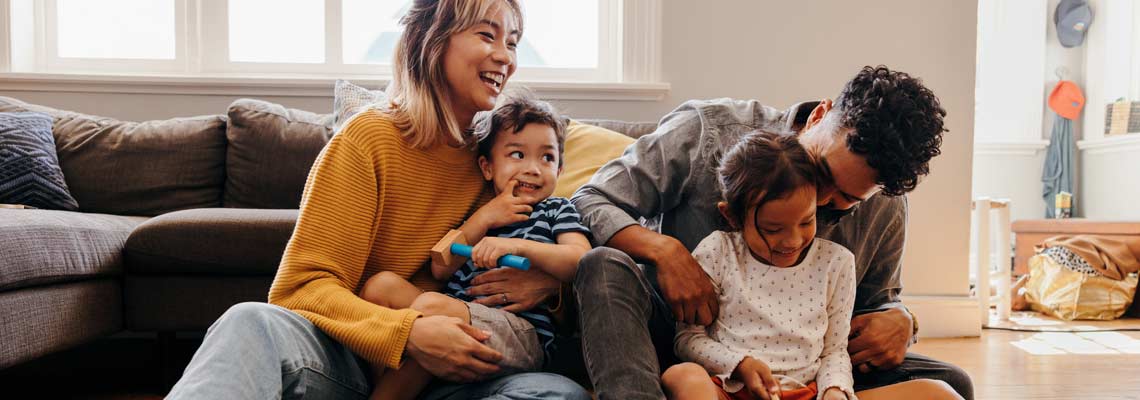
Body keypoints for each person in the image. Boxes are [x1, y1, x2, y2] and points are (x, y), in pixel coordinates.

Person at [166, 1, 590, 399]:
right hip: (355, 362)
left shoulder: (501, 158)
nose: (506, 57)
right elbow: (301, 288)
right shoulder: (367, 140)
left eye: (512, 42)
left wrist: (549, 288)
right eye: (487, 35)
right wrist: (406, 333)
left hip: (468, 367)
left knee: (556, 393)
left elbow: (570, 286)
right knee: (248, 322)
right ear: (433, 39)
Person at [571, 66, 974, 400]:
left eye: (845, 199)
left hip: (802, 364)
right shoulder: (707, 131)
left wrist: (902, 320)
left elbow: (876, 304)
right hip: (682, 342)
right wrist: (665, 251)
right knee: (603, 266)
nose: (819, 200)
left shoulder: (883, 205)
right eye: (823, 174)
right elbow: (590, 199)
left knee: (954, 385)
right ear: (820, 115)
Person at [660, 132, 961, 400]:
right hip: (731, 389)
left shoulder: (837, 263)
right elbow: (688, 339)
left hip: (806, 392)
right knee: (681, 376)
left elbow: (834, 351)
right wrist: (739, 365)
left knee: (940, 392)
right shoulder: (718, 251)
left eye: (806, 221)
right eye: (773, 228)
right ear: (733, 218)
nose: (792, 240)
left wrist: (835, 389)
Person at [359, 92, 591, 400]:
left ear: (559, 171)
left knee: (432, 310)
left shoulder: (556, 210)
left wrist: (520, 249)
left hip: (521, 333)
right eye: (518, 155)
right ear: (487, 167)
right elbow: (440, 267)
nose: (534, 168)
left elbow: (582, 259)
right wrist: (483, 219)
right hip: (463, 314)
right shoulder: (481, 214)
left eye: (547, 157)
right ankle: (398, 385)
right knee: (380, 286)